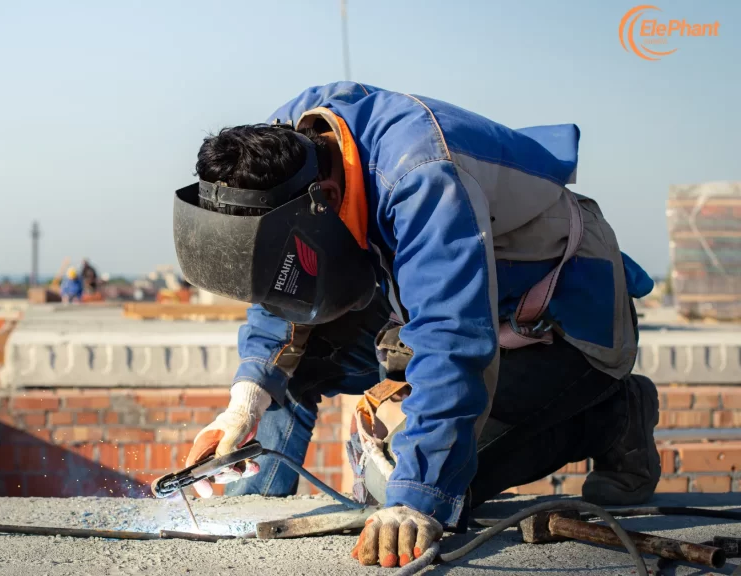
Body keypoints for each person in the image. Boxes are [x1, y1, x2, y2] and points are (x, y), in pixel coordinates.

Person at [171, 82, 658, 568]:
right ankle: (253, 502)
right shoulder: (290, 144)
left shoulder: (422, 177)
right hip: (442, 304)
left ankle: (613, 419)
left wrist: (415, 498)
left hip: (561, 320)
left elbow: (453, 339)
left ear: (325, 197)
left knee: (420, 484)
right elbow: (281, 287)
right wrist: (245, 402)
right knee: (288, 372)